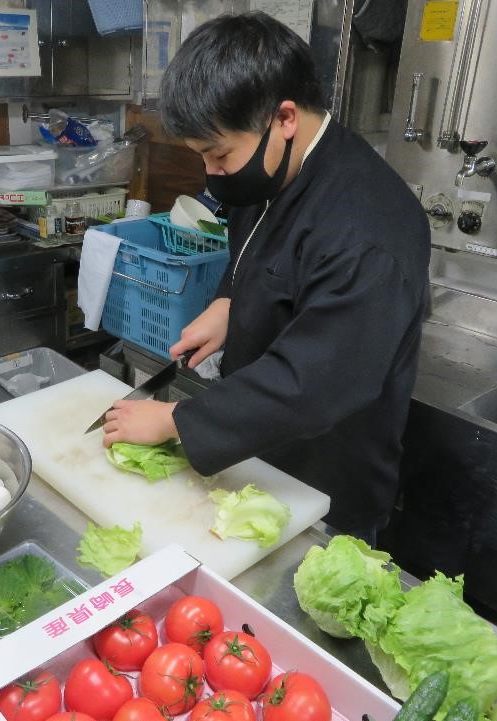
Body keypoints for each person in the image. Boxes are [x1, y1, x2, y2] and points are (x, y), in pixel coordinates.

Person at [100, 12, 430, 541]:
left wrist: (177, 421)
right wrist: (229, 302)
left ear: (285, 118)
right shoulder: (273, 169)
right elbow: (259, 252)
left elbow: (317, 382)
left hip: (325, 478)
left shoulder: (368, 233)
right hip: (259, 449)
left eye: (218, 154)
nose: (211, 173)